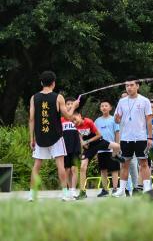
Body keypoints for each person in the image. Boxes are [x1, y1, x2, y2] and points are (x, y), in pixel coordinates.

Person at [27, 71, 79, 201]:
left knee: (36, 166)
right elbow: (68, 116)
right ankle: (65, 194)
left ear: (41, 83)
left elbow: (31, 119)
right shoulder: (58, 97)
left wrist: (31, 138)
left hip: (40, 137)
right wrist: (73, 106)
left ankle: (31, 195)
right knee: (60, 165)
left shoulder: (34, 97)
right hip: (56, 136)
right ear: (53, 83)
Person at [112, 77, 153, 197]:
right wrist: (116, 118)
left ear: (137, 86)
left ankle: (147, 188)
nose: (129, 88)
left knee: (143, 163)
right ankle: (122, 189)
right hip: (125, 138)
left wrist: (150, 137)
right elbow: (117, 119)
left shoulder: (145, 101)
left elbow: (149, 120)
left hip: (141, 137)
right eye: (127, 85)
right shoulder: (122, 102)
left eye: (131, 85)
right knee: (124, 164)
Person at [93, 100, 121, 197]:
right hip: (100, 149)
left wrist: (117, 147)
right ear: (100, 108)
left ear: (110, 108)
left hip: (112, 148)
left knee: (114, 170)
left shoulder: (114, 120)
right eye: (102, 106)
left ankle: (115, 189)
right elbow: (95, 136)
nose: (104, 107)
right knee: (103, 170)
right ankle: (105, 190)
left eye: (106, 106)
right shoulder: (97, 121)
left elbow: (117, 133)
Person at [75, 111, 106, 199]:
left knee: (105, 166)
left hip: (97, 143)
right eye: (72, 121)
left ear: (80, 115)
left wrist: (87, 141)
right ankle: (82, 192)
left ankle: (108, 189)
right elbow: (79, 135)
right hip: (88, 148)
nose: (74, 122)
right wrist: (82, 142)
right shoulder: (75, 125)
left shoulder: (88, 121)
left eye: (75, 119)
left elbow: (99, 135)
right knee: (82, 167)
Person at [60, 101, 84, 198]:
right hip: (64, 147)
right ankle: (68, 189)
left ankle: (73, 190)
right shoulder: (61, 120)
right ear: (64, 106)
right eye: (68, 104)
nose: (70, 105)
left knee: (74, 168)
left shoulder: (77, 119)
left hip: (75, 147)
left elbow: (81, 128)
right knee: (67, 169)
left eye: (71, 104)